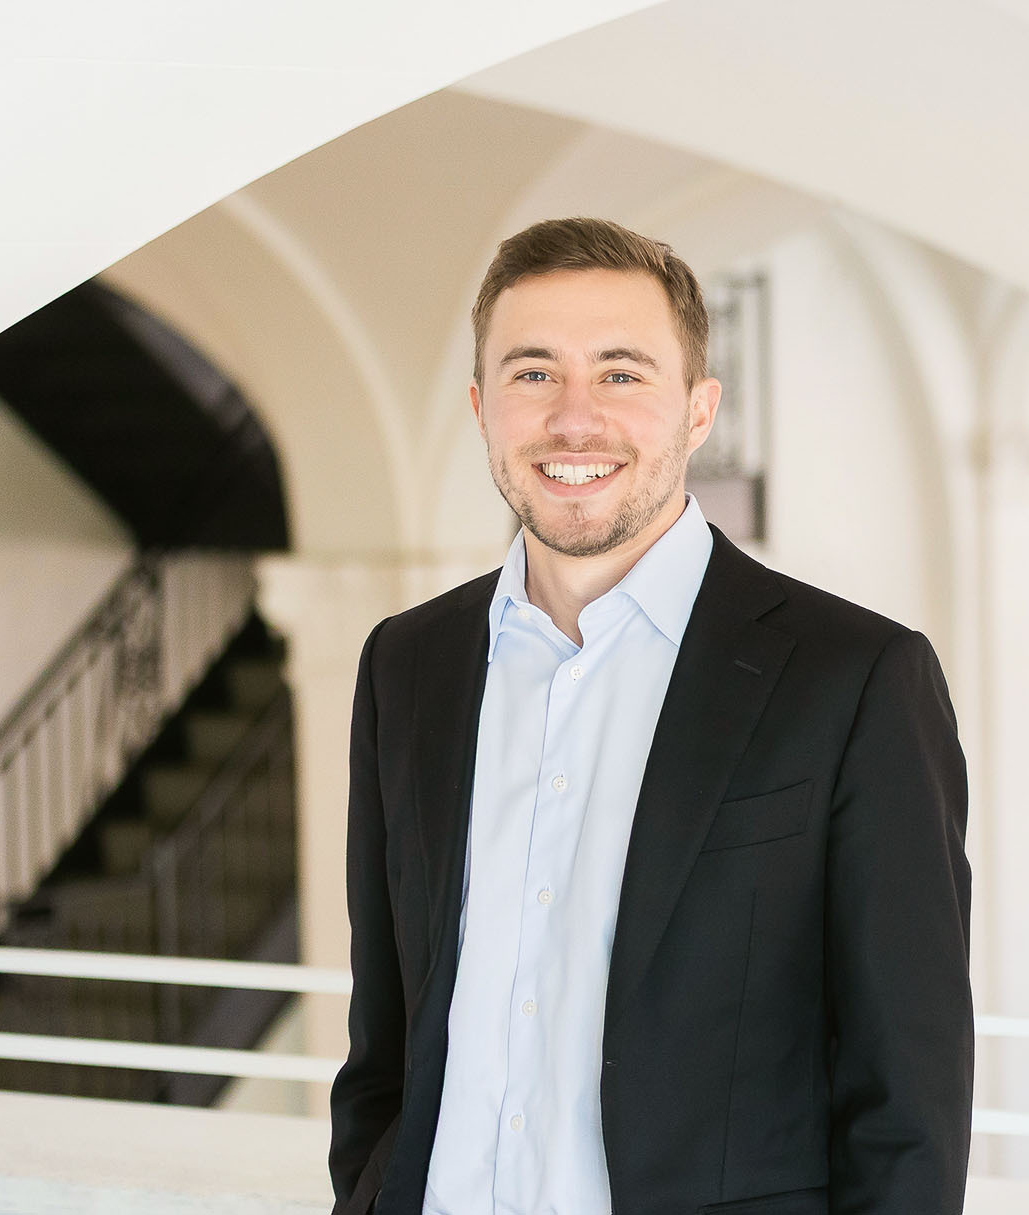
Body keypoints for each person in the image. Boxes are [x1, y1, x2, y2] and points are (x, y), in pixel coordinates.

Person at [327, 218, 973, 1215]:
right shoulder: (405, 666)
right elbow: (385, 1039)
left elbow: (908, 1103)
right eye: (534, 373)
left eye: (621, 373)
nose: (573, 418)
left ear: (698, 409)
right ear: (482, 406)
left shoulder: (857, 681)